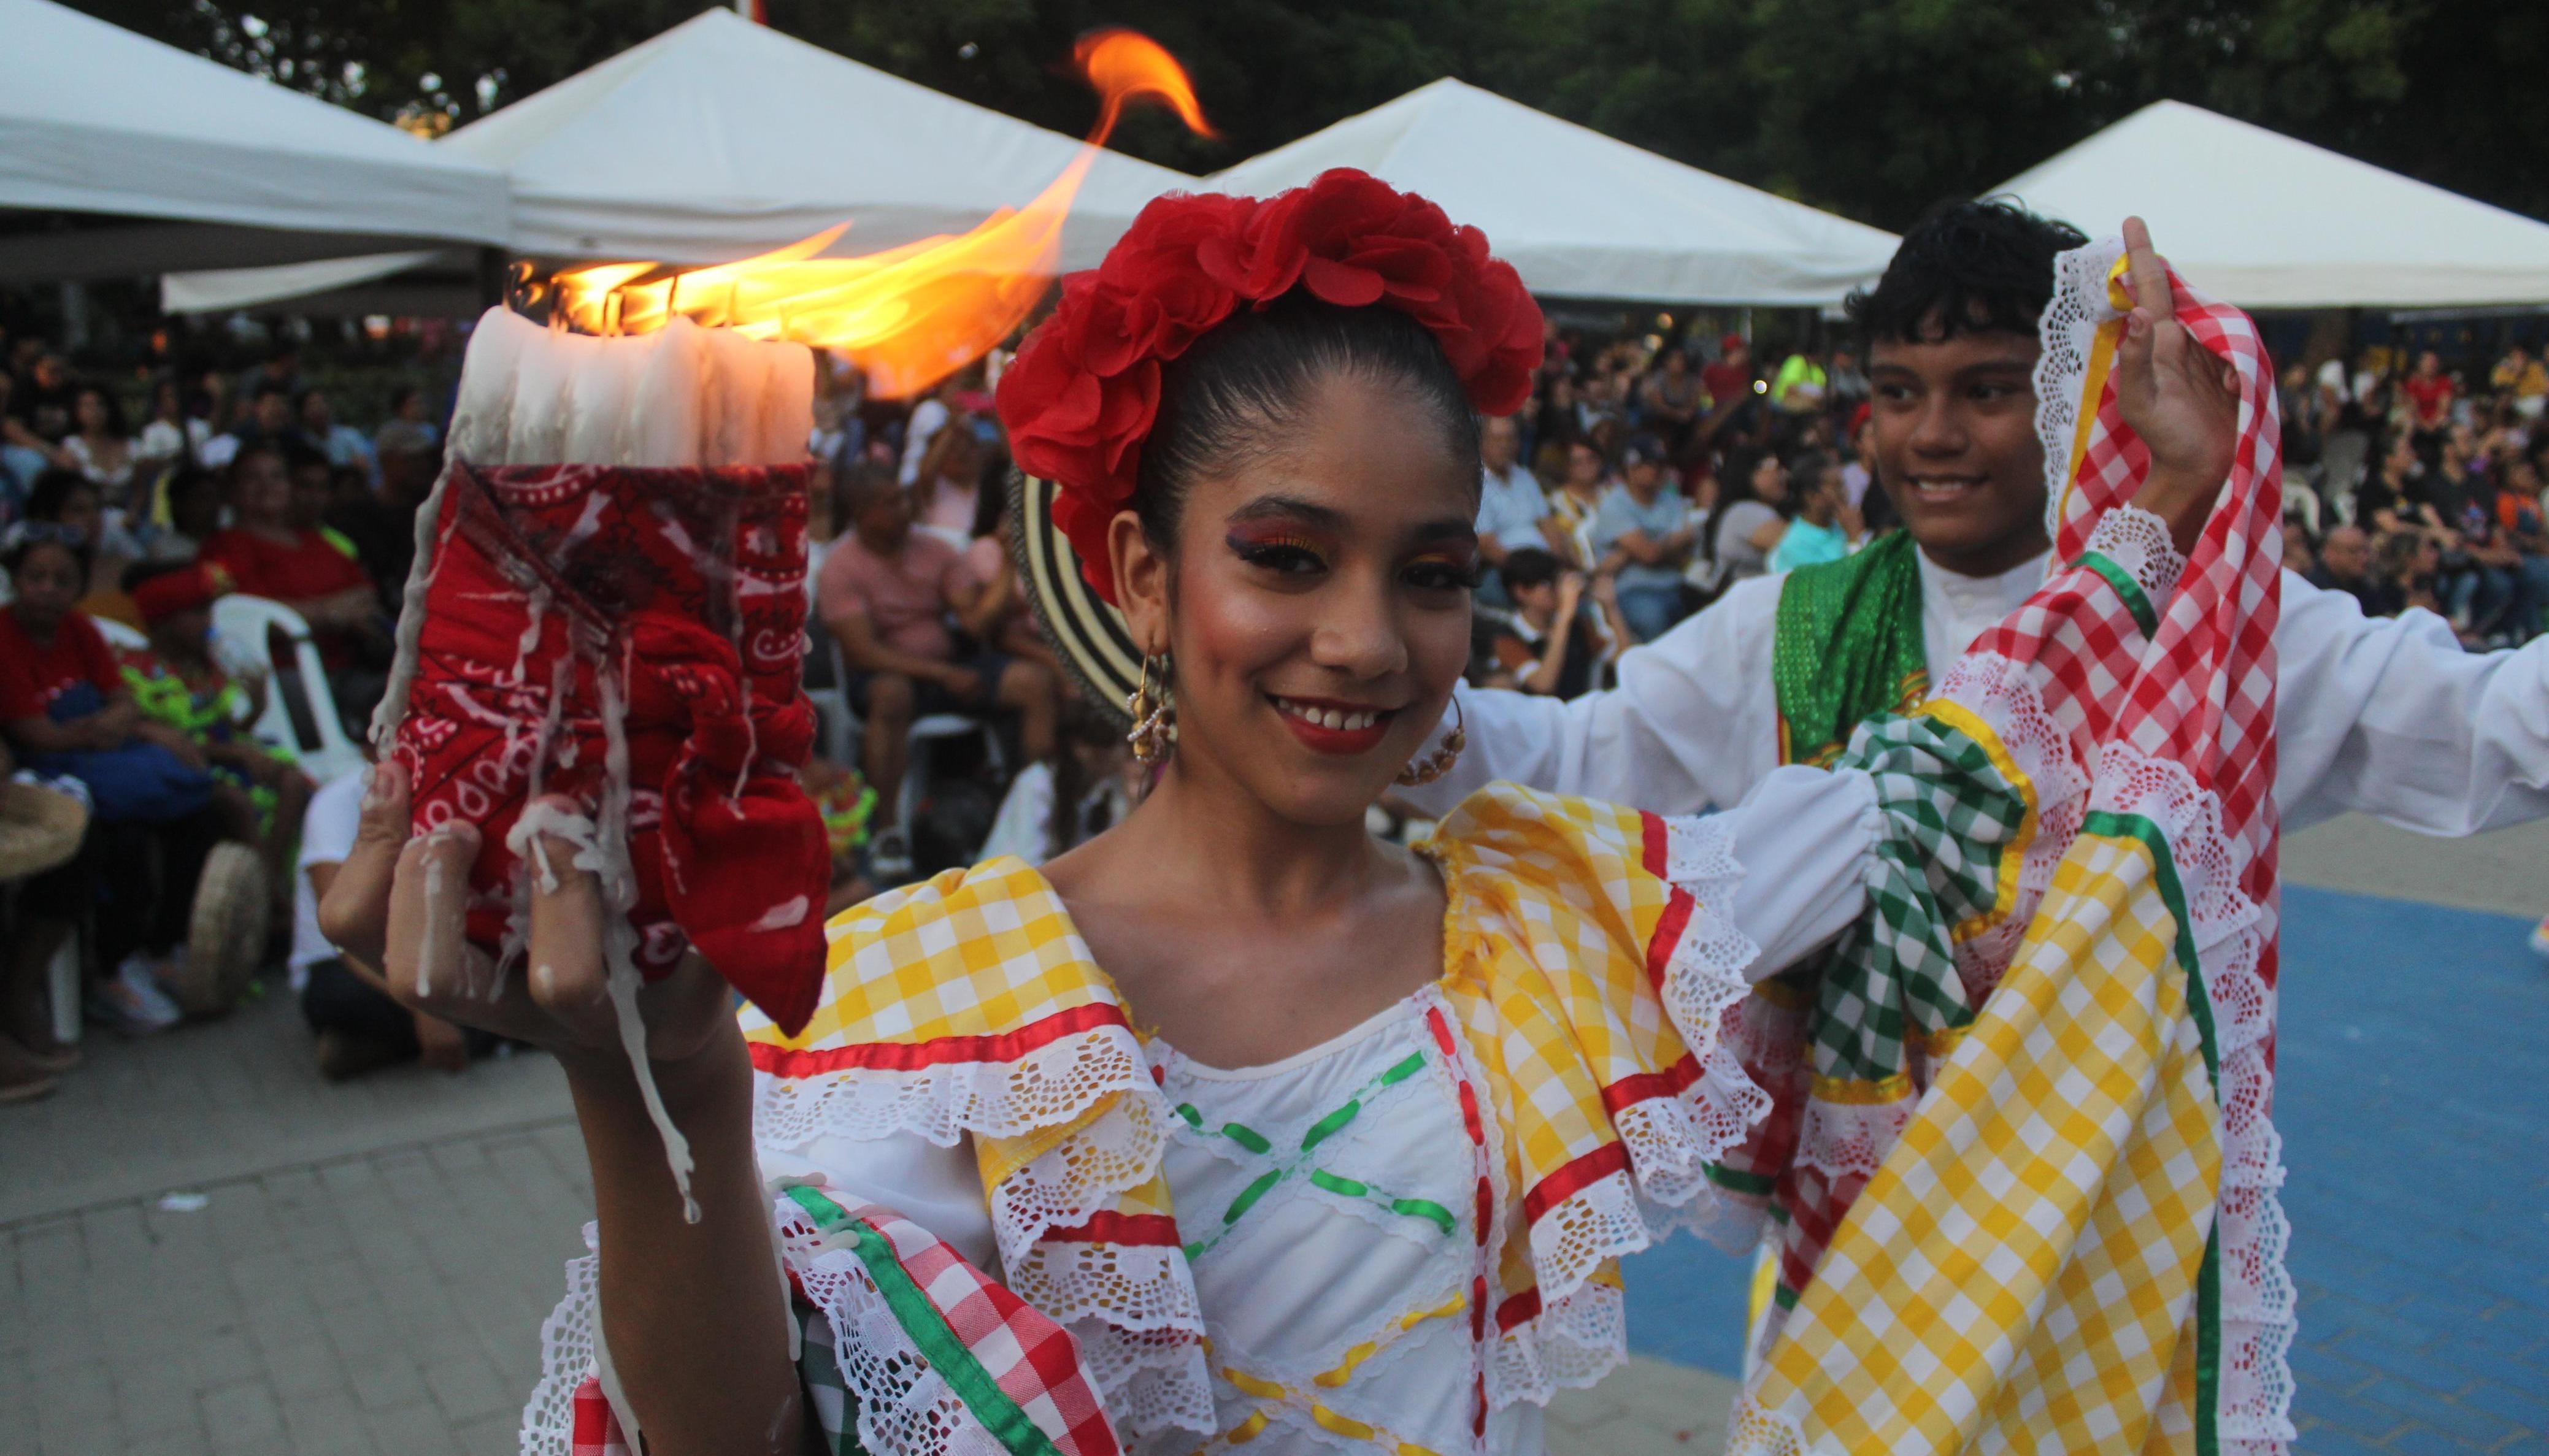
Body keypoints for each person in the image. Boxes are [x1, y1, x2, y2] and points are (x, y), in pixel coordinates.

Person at [318, 170, 2228, 1456]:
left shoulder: (1562, 918)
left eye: (1428, 572)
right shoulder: (920, 986)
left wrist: (2143, 526)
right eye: (1285, 556)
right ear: (1143, 576)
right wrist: (653, 1078)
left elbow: (1943, 753)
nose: (1361, 640)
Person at [1405, 194, 2549, 870]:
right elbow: (1569, 763)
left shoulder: (2207, 630)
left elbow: (2489, 726)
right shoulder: (1790, 623)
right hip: (1851, 1240)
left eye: (1987, 390)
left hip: (2116, 1248)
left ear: (2078, 402)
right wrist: (1374, 702)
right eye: (1901, 391)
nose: (1932, 435)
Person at [0, 527, 224, 1035]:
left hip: (98, 758)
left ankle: (164, 948)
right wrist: (99, 727)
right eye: (36, 577)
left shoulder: (80, 630)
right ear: (15, 580)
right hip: (45, 776)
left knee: (198, 815)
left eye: (62, 579)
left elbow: (119, 699)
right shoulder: (3, 637)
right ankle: (112, 969)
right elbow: (33, 732)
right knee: (118, 841)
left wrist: (105, 724)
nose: (48, 589)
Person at [815, 461, 1056, 874]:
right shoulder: (840, 566)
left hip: (949, 665)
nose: (904, 510)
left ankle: (1030, 809)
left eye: (903, 499)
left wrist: (1009, 567)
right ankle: (888, 831)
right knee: (892, 694)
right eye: (889, 504)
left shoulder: (936, 551)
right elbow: (863, 652)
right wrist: (942, 675)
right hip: (885, 675)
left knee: (1034, 683)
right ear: (861, 513)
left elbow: (975, 623)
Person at [121, 561, 313, 930]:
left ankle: (267, 885)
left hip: (223, 754)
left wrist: (256, 709)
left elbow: (224, 730)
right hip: (181, 765)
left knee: (290, 780)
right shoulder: (138, 671)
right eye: (196, 613)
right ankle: (269, 900)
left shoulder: (204, 666)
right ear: (164, 621)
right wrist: (238, 752)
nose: (209, 621)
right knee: (235, 802)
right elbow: (174, 742)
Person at [292, 764, 478, 1079]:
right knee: (344, 999)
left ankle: (387, 1048)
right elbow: (345, 933)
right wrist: (423, 1006)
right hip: (351, 963)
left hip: (426, 947)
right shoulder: (337, 802)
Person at [198, 439, 387, 686]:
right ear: (233, 490)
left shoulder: (315, 540)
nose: (266, 486)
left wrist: (332, 612)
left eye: (277, 477)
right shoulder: (222, 548)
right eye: (252, 477)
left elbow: (365, 593)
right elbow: (244, 615)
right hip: (279, 678)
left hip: (349, 667)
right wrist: (328, 612)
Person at [1588, 435, 1694, 640]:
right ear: (1630, 469)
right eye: (1648, 465)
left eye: (1660, 464)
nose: (1656, 470)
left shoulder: (1670, 499)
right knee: (1653, 619)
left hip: (1676, 583)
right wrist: (1664, 545)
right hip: (1634, 591)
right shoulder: (1614, 505)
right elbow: (1650, 555)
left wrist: (1638, 549)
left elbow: (1686, 547)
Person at [1483, 546, 1626, 698]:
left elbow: (1623, 661)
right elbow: (1543, 685)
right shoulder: (1506, 637)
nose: (1558, 590)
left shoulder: (1577, 625)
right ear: (1522, 592)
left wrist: (1611, 607)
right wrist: (1565, 616)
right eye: (1548, 584)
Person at [1472, 414, 1557, 582]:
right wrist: (1529, 575)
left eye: (1510, 439)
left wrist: (1557, 565)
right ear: (1482, 443)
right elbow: (1486, 545)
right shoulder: (1475, 483)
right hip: (1505, 572)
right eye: (1498, 439)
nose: (1505, 445)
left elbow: (1548, 526)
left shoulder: (1525, 477)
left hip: (1544, 567)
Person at [1701, 444, 1791, 593]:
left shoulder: (1757, 510)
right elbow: (1797, 545)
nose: (1784, 475)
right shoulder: (1744, 511)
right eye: (1774, 467)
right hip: (1746, 606)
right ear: (1748, 473)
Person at [1767, 452, 1850, 572]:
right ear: (1812, 497)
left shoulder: (1839, 527)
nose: (1844, 493)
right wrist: (1854, 542)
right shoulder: (1795, 546)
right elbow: (1838, 585)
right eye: (1837, 487)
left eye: (1843, 485)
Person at [61, 384, 138, 508]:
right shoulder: (72, 447)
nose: (94, 412)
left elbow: (141, 489)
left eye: (99, 404)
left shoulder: (133, 446)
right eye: (86, 406)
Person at [297, 387, 375, 486]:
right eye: (312, 405)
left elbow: (365, 468)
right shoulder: (303, 442)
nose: (318, 409)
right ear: (302, 412)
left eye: (322, 403)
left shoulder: (350, 435)